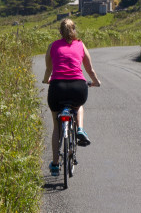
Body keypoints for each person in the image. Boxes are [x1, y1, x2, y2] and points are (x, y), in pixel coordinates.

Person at [42, 18, 101, 176]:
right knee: (78, 104)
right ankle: (80, 129)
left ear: (60, 32)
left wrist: (45, 79)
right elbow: (89, 69)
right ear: (74, 30)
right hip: (78, 87)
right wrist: (96, 82)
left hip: (57, 88)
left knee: (56, 128)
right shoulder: (81, 45)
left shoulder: (53, 46)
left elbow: (49, 69)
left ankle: (55, 164)